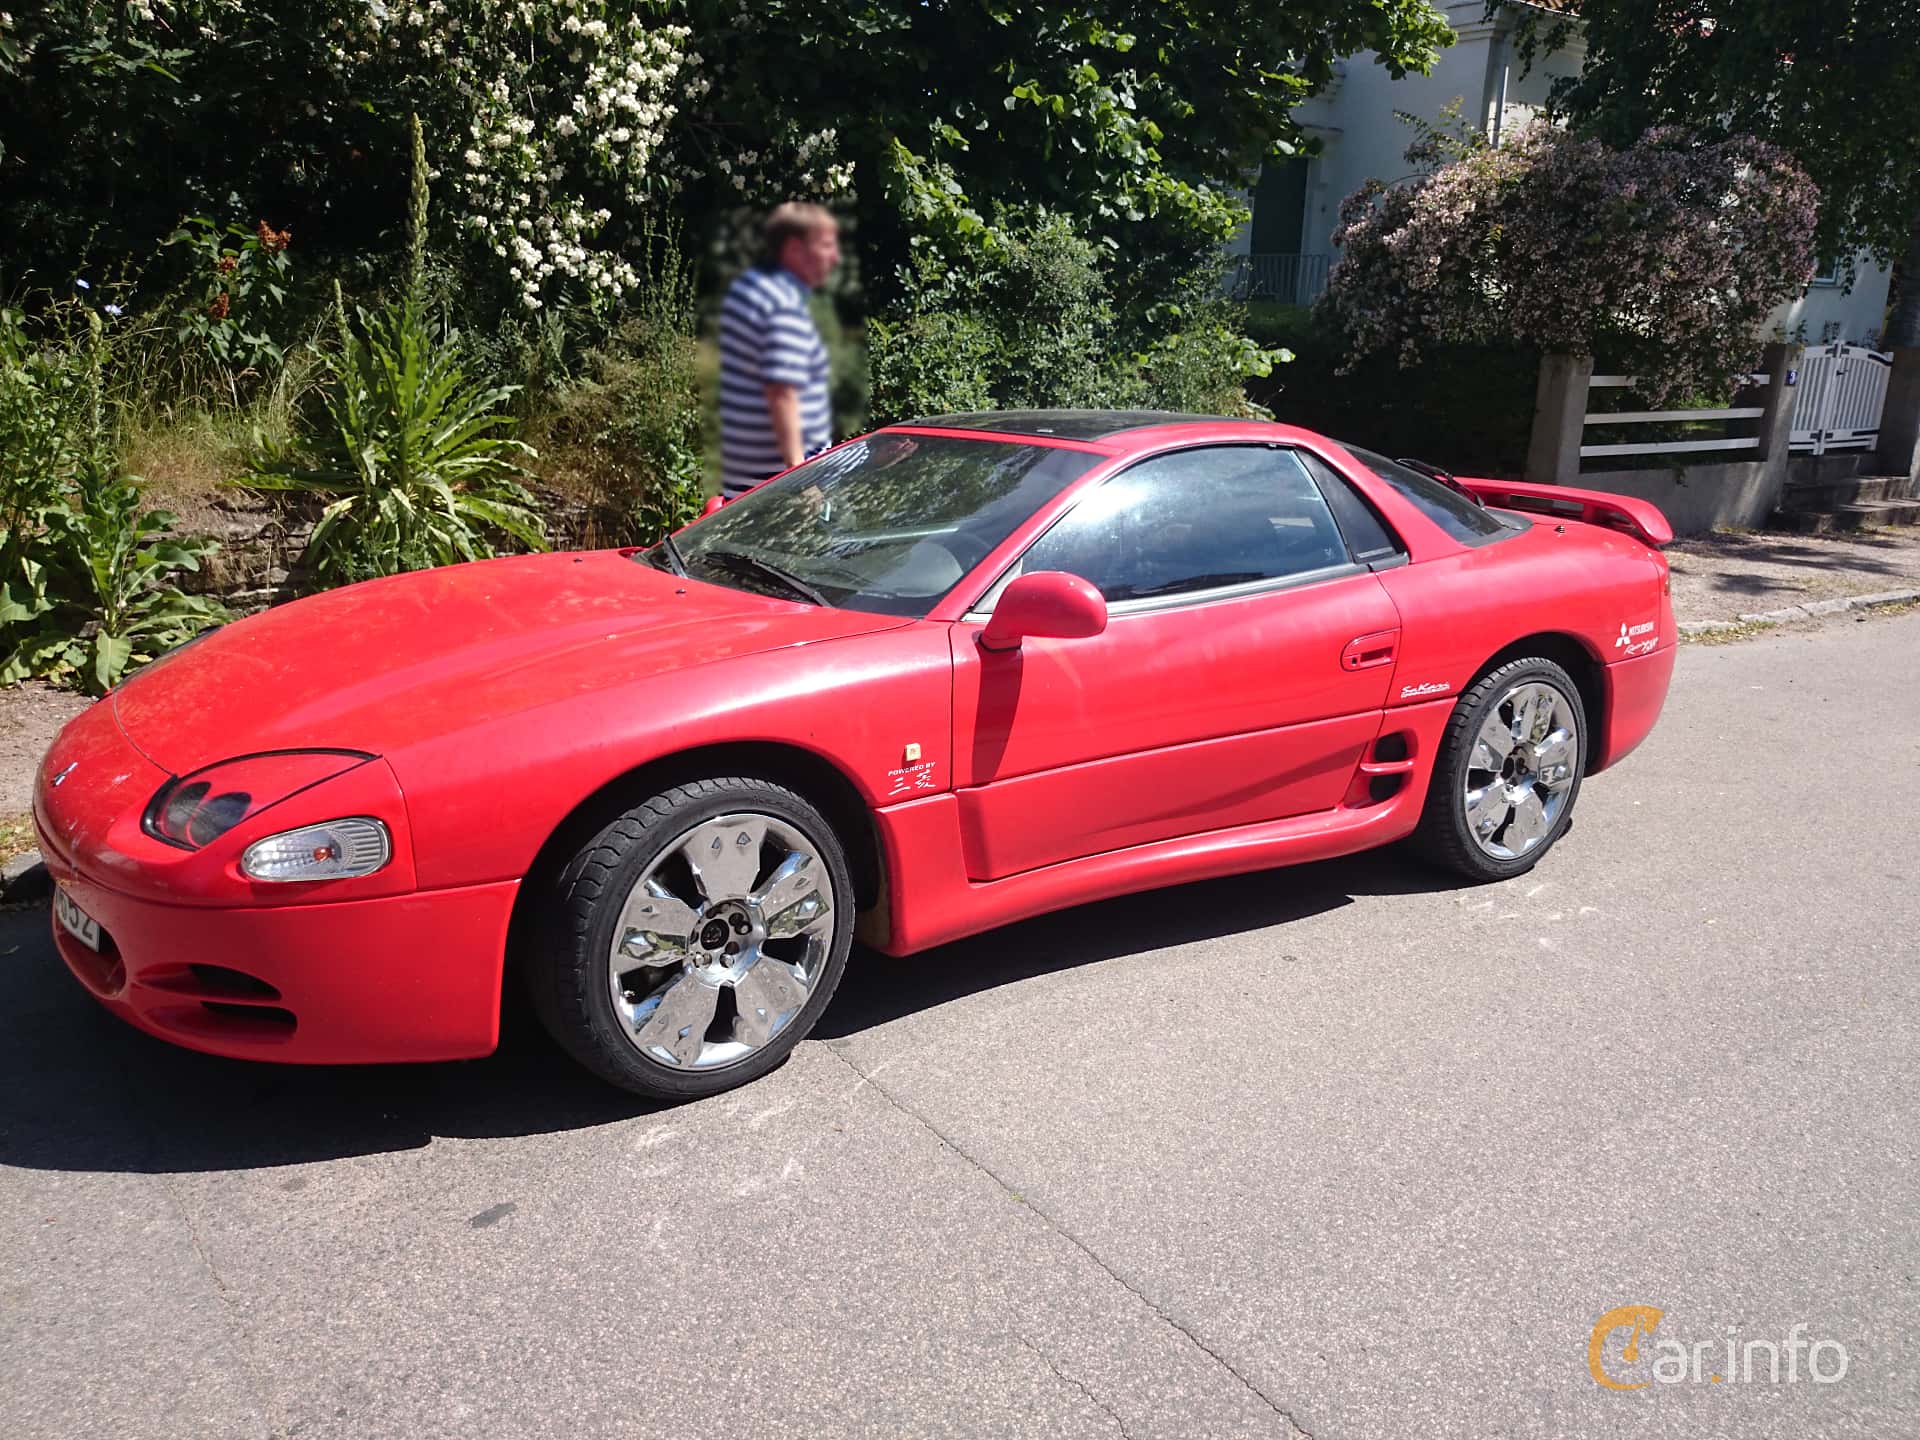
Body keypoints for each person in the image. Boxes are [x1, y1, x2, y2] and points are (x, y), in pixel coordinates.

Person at [717, 202, 840, 499]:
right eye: (826, 246)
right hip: (782, 499)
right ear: (796, 250)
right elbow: (781, 392)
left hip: (748, 492)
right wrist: (801, 480)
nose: (835, 257)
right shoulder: (784, 304)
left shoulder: (751, 290)